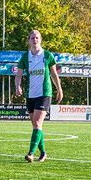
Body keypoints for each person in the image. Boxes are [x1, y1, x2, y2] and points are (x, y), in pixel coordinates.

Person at [15, 30, 63, 162]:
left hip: (44, 94)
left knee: (37, 123)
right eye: (32, 38)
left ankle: (30, 153)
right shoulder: (25, 57)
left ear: (40, 40)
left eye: (37, 38)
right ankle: (43, 153)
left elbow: (54, 74)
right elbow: (18, 75)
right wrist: (18, 86)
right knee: (36, 125)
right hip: (30, 95)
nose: (34, 40)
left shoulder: (47, 55)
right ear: (28, 40)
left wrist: (59, 89)